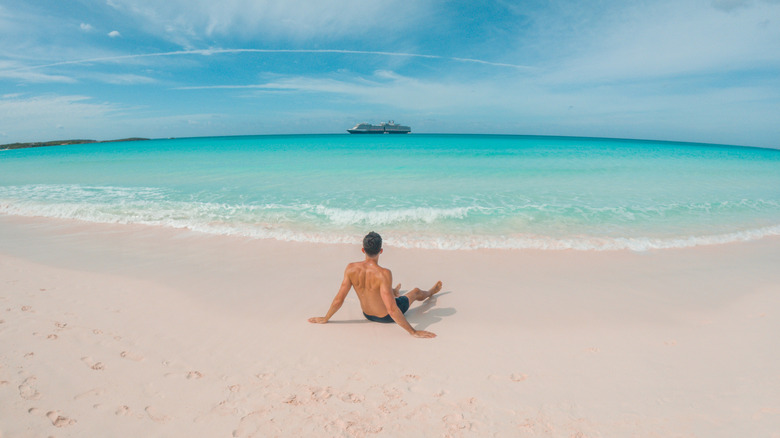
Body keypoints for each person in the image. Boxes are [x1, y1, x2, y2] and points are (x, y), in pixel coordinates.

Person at [308, 231, 442, 338]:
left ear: (362, 250)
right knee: (416, 291)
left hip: (367, 314)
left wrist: (326, 318)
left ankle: (393, 291)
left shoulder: (351, 268)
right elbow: (392, 309)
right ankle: (431, 292)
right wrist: (413, 332)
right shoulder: (384, 273)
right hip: (386, 317)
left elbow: (339, 299)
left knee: (381, 287)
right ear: (381, 251)